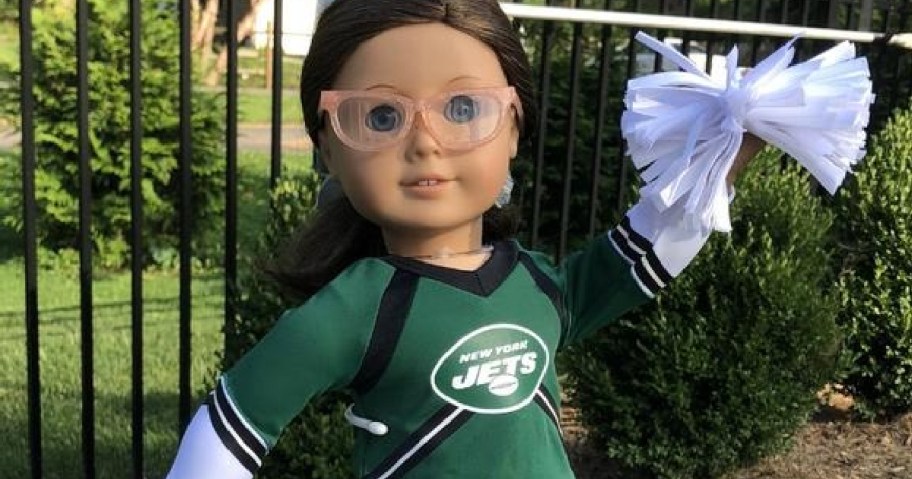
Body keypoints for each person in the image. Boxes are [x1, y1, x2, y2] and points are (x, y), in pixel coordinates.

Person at [166, 0, 765, 477]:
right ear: (329, 147)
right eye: (380, 116)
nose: (425, 142)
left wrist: (716, 164)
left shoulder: (537, 285)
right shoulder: (356, 310)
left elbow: (641, 254)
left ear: (514, 127)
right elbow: (234, 423)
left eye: (462, 108)